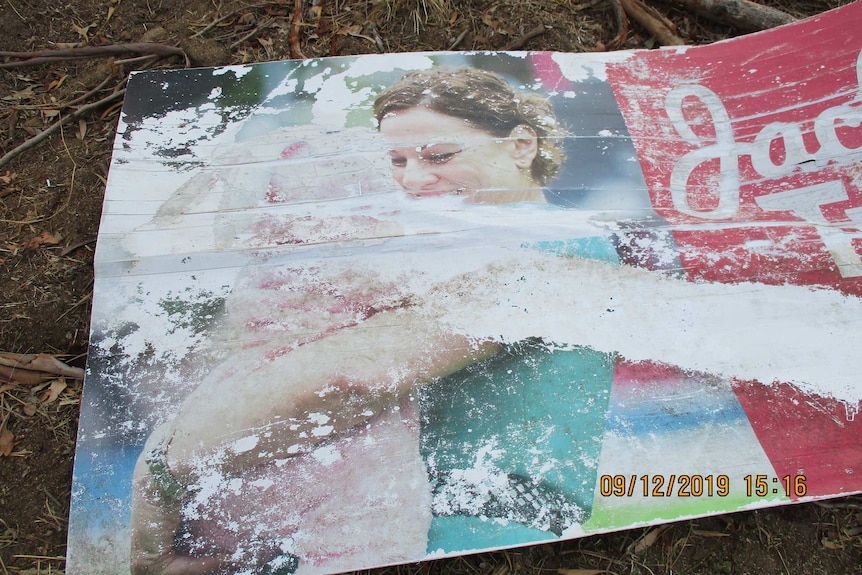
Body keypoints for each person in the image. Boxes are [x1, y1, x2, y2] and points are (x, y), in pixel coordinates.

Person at [130, 66, 861, 574]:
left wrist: (164, 471)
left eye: (441, 154)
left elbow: (348, 375)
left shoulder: (537, 252)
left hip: (460, 534)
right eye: (395, 164)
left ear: (522, 144)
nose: (415, 181)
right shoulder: (462, 256)